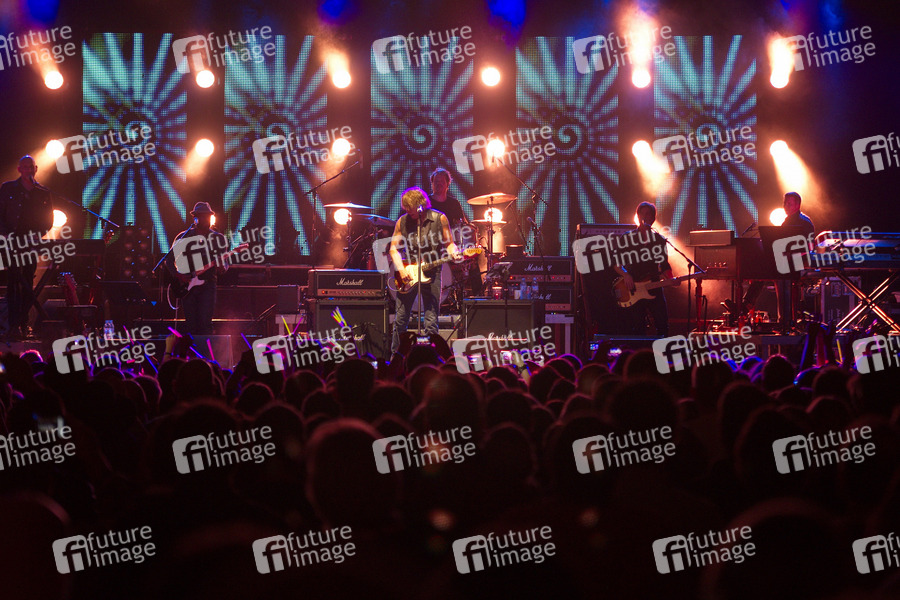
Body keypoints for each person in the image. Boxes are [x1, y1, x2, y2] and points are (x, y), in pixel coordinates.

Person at [389, 187, 460, 355]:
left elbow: (449, 243)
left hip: (432, 272)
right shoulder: (402, 221)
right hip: (408, 273)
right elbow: (393, 249)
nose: (408, 210)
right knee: (401, 319)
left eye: (411, 207)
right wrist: (401, 269)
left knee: (431, 320)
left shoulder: (439, 218)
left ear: (421, 204)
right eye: (406, 207)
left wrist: (453, 252)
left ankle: (431, 357)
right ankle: (396, 358)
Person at [741, 191, 814, 332]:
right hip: (785, 260)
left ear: (797, 205)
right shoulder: (786, 221)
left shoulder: (805, 222)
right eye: (785, 203)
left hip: (799, 261)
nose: (785, 206)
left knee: (779, 274)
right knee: (761, 270)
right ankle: (746, 306)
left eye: (789, 203)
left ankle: (784, 321)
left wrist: (791, 254)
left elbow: (810, 247)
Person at [0, 155, 54, 339]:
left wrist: (39, 234)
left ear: (36, 169)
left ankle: (24, 324)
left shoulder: (42, 191)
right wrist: (4, 234)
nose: (28, 170)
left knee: (28, 282)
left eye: (31, 167)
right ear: (19, 169)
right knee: (13, 282)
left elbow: (48, 220)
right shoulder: (8, 188)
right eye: (25, 167)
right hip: (12, 241)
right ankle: (13, 325)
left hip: (31, 242)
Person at [613, 201, 677, 337]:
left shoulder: (659, 240)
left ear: (653, 218)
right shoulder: (627, 238)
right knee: (638, 327)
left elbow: (664, 265)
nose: (646, 217)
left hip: (654, 285)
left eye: (649, 214)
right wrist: (626, 275)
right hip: (633, 288)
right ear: (638, 216)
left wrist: (671, 279)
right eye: (643, 214)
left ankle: (661, 350)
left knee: (662, 324)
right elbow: (616, 263)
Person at [167, 202, 228, 335]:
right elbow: (169, 260)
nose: (206, 219)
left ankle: (205, 348)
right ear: (195, 218)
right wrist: (179, 275)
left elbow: (224, 266)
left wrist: (221, 267)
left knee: (205, 323)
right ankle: (192, 348)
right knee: (191, 324)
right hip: (188, 286)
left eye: (208, 216)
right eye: (202, 216)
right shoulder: (184, 237)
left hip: (208, 285)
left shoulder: (217, 238)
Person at [429, 168, 482, 296]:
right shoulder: (427, 203)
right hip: (432, 247)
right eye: (436, 182)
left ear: (448, 184)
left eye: (442, 181)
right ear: (432, 184)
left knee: (472, 260)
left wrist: (469, 233)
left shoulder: (454, 203)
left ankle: (478, 297)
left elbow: (463, 225)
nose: (438, 184)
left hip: (452, 246)